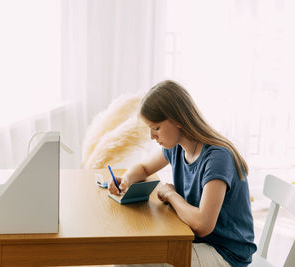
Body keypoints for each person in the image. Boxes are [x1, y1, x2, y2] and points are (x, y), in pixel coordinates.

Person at [109, 80, 257, 267]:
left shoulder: (217, 158)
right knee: (131, 251)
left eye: (156, 128)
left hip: (225, 253)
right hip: (195, 240)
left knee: (129, 259)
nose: (152, 136)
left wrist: (171, 195)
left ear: (177, 119)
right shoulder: (177, 147)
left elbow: (203, 225)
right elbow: (144, 168)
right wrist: (127, 179)